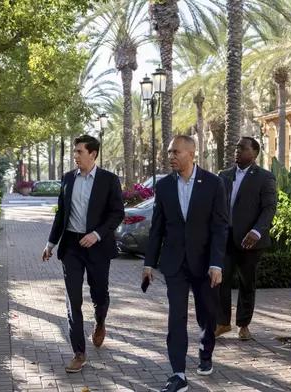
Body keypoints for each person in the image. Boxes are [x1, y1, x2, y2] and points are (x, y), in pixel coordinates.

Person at [143, 135, 228, 392]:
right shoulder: (164, 186)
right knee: (176, 317)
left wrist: (216, 263)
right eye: (169, 152)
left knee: (207, 312)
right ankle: (178, 373)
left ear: (191, 154)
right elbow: (157, 228)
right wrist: (148, 263)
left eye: (175, 152)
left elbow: (220, 226)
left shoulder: (213, 183)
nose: (171, 156)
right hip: (174, 263)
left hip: (204, 263)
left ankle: (205, 351)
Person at [42, 134, 125, 373]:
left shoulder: (109, 180)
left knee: (99, 295)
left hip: (97, 246)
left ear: (93, 154)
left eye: (79, 152)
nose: (75, 156)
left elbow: (117, 213)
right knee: (73, 300)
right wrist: (50, 243)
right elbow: (61, 214)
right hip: (71, 247)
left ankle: (100, 322)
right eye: (75, 151)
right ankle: (79, 352)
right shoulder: (68, 178)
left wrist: (97, 234)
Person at [216, 137, 277, 340]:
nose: (237, 150)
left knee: (247, 282)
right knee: (220, 280)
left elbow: (269, 208)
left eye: (242, 148)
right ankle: (223, 323)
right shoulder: (224, 176)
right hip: (225, 238)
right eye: (236, 146)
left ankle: (243, 324)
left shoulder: (264, 177)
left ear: (255, 153)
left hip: (250, 240)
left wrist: (257, 231)